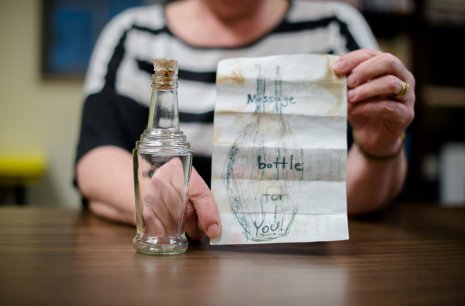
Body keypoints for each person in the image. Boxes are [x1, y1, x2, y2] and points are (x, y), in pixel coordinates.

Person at [75, 0, 415, 241]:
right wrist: (161, 196)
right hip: (174, 261)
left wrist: (378, 143)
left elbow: (352, 199)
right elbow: (95, 157)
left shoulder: (335, 29)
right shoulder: (134, 34)